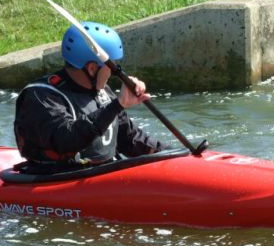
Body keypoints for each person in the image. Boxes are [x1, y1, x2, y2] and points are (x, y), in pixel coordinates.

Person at [13, 21, 165, 174]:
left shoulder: (102, 92)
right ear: (92, 68)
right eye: (112, 68)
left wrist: (171, 154)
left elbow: (130, 140)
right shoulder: (41, 96)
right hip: (59, 179)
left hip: (102, 175)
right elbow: (68, 139)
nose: (113, 73)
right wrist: (117, 105)